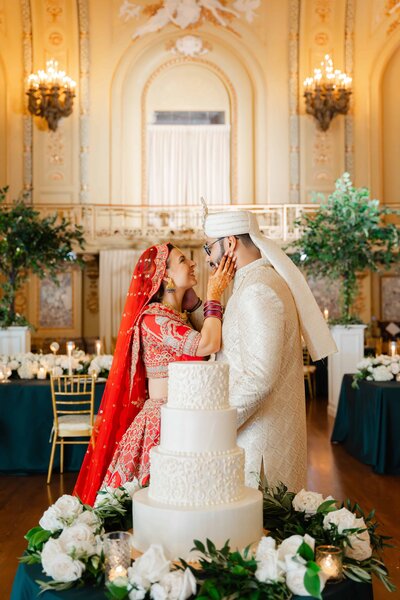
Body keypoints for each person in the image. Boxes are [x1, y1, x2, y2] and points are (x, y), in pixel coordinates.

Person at [73, 243, 235, 505]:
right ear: (165, 275)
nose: (193, 263)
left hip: (190, 416)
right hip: (164, 421)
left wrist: (194, 303)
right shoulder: (154, 320)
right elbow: (208, 344)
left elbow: (219, 333)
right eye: (183, 260)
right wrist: (213, 296)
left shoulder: (176, 316)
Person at [190, 208, 337, 491]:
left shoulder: (258, 290)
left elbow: (259, 377)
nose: (208, 257)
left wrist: (216, 423)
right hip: (255, 435)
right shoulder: (251, 282)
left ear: (230, 243)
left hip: (258, 447)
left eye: (209, 247)